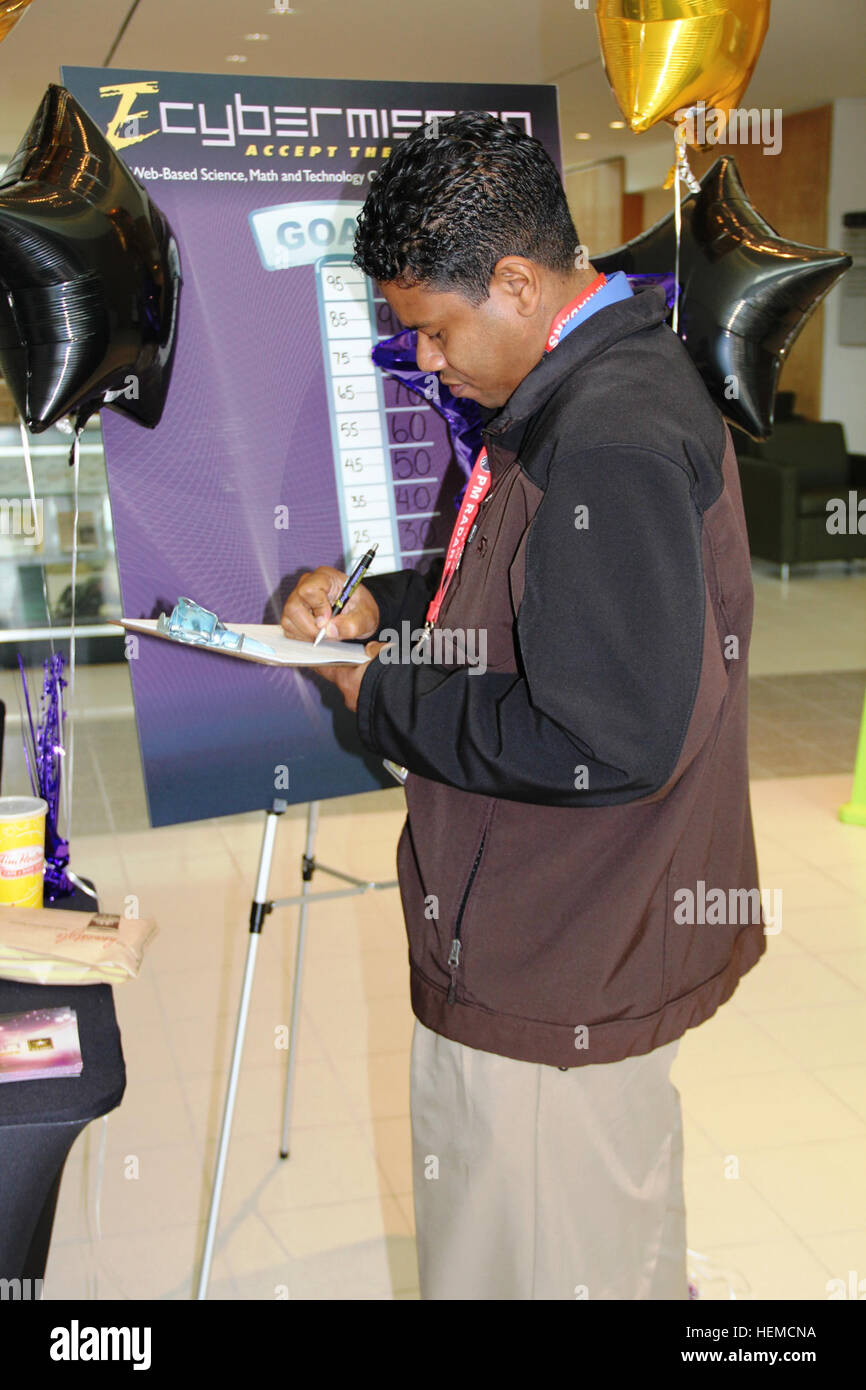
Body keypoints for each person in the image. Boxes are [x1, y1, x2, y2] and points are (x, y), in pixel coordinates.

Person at [280, 112, 766, 1301]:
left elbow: (601, 738)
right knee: (610, 1252)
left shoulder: (608, 432)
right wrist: (380, 610)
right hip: (562, 937)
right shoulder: (569, 390)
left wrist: (377, 695)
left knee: (534, 1264)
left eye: (433, 333)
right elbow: (508, 596)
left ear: (512, 281)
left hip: (556, 952)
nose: (429, 363)